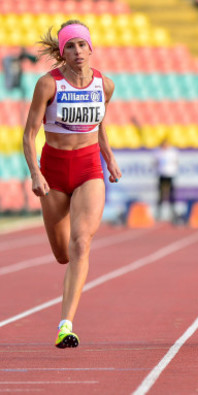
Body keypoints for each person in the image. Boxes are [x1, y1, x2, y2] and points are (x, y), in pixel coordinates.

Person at [22, 20, 121, 348]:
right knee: (63, 254)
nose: (78, 52)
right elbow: (28, 134)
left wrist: (109, 159)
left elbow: (101, 124)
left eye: (82, 45)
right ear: (62, 52)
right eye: (70, 46)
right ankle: (66, 313)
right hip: (53, 173)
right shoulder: (48, 85)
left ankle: (66, 324)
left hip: (88, 169)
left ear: (91, 47)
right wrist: (35, 173)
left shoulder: (104, 85)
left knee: (81, 244)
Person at [153, 138, 179, 222]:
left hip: (170, 174)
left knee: (171, 194)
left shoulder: (172, 152)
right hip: (161, 174)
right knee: (160, 194)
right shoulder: (158, 152)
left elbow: (176, 162)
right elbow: (155, 162)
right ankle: (159, 212)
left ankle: (172, 211)